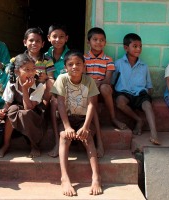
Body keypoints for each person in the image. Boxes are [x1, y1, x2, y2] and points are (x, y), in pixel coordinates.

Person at [51, 49, 102, 196]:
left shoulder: (89, 81)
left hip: (82, 118)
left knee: (88, 137)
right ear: (66, 67)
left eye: (78, 63)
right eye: (70, 64)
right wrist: (67, 127)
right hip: (67, 117)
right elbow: (60, 103)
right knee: (64, 137)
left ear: (84, 66)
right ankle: (65, 178)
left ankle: (96, 177)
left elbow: (92, 105)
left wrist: (86, 127)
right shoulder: (62, 79)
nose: (74, 67)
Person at [0, 53, 46, 158]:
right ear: (17, 71)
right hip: (18, 112)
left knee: (24, 113)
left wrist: (25, 89)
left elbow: (29, 108)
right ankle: (6, 144)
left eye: (33, 69)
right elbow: (7, 103)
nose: (31, 72)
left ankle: (34, 145)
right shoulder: (12, 83)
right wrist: (2, 111)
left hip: (34, 115)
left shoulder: (39, 85)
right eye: (27, 70)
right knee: (12, 109)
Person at [112, 33, 160, 145]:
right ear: (126, 47)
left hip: (140, 93)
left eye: (140, 46)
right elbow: (112, 82)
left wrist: (146, 97)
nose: (138, 49)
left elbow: (149, 85)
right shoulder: (118, 63)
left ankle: (154, 134)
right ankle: (139, 120)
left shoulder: (144, 66)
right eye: (135, 46)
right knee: (120, 102)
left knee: (147, 105)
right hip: (124, 93)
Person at [84, 27, 127, 131]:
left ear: (105, 42)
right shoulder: (83, 58)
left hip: (102, 90)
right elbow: (83, 77)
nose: (99, 42)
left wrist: (98, 83)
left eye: (102, 40)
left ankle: (113, 118)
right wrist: (92, 84)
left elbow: (108, 79)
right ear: (88, 42)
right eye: (95, 39)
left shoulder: (108, 59)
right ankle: (92, 122)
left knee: (105, 88)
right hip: (89, 90)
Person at [45, 23, 70, 157]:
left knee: (56, 101)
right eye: (54, 36)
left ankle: (58, 142)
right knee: (50, 87)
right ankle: (56, 140)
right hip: (51, 90)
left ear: (66, 38)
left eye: (61, 37)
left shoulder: (70, 56)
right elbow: (47, 77)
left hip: (67, 90)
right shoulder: (45, 56)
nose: (58, 40)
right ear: (48, 38)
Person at [23, 27, 55, 107]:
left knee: (51, 82)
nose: (34, 43)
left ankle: (43, 106)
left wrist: (45, 77)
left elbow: (51, 77)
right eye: (31, 40)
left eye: (38, 41)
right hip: (25, 86)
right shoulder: (20, 59)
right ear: (25, 42)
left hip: (41, 89)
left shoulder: (47, 59)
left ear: (42, 44)